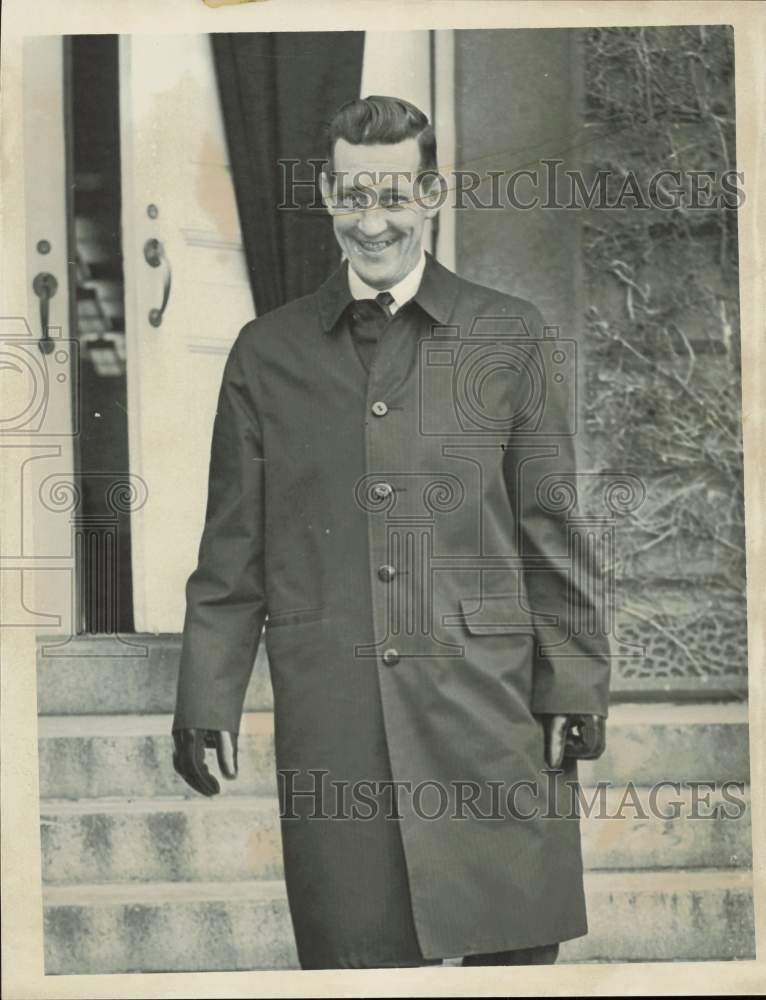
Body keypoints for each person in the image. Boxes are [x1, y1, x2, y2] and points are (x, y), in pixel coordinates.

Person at [172, 95, 610, 970]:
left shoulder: (508, 335)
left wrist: (575, 682)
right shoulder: (267, 353)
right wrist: (205, 695)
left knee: (512, 957)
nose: (372, 224)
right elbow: (232, 553)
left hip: (489, 712)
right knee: (357, 960)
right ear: (330, 194)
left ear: (432, 195)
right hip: (338, 721)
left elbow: (551, 530)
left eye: (395, 198)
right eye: (353, 197)